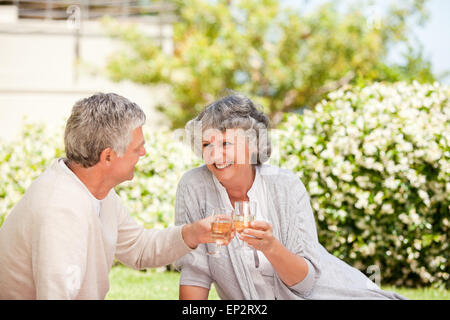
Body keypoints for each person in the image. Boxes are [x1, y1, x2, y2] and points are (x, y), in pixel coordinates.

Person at [174, 93, 406, 300]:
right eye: (207, 144)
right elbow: (196, 270)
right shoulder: (194, 186)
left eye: (225, 143)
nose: (216, 155)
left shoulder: (285, 185)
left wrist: (271, 247)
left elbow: (305, 283)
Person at [0, 93, 218, 300]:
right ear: (108, 157)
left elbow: (139, 248)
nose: (144, 153)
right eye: (137, 147)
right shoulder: (60, 209)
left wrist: (193, 233)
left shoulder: (95, 190)